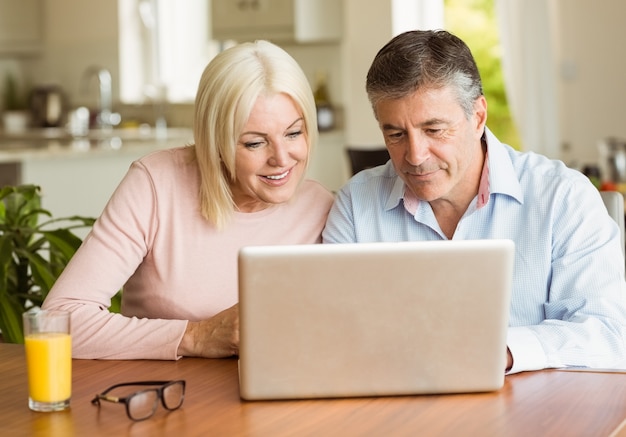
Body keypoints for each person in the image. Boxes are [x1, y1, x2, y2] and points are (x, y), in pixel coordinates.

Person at [322, 30, 626, 373]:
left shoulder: (562, 197)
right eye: (395, 134)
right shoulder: (354, 205)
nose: (416, 156)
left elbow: (611, 335)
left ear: (478, 117)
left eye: (434, 130)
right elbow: (332, 333)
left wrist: (498, 351)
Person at [42, 40, 334, 360]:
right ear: (216, 142)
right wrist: (195, 336)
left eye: (294, 133)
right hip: (163, 398)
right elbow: (59, 321)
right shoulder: (156, 184)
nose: (281, 158)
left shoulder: (322, 209)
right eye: (254, 143)